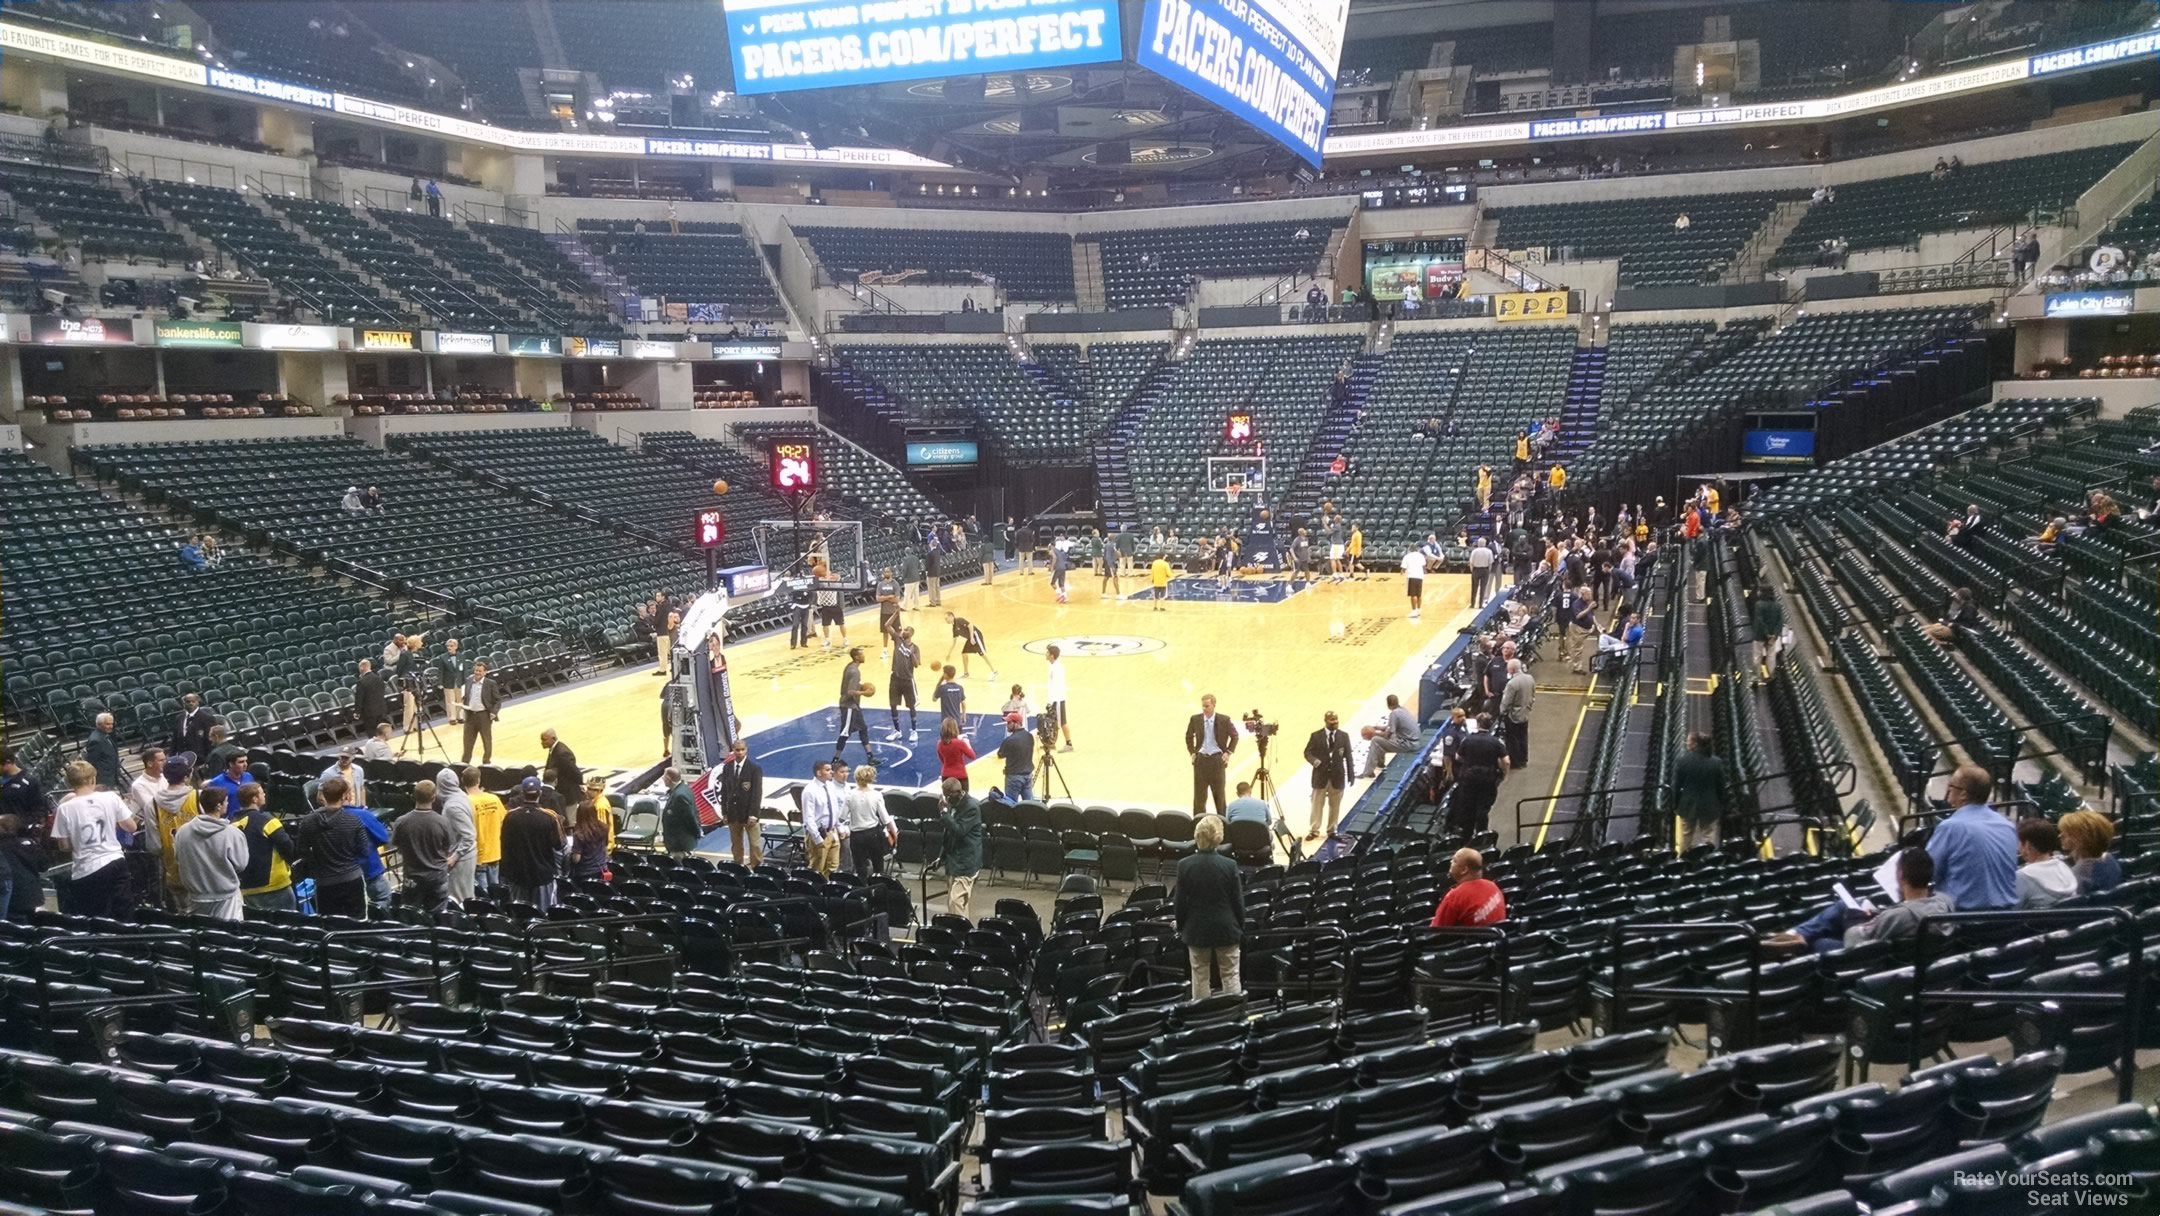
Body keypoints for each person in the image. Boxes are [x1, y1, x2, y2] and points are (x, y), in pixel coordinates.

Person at [1773, 848, 1952, 956]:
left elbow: (1854, 942)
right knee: (1846, 906)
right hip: (1901, 947)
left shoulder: (1899, 916)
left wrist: (1854, 919)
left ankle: (1796, 937)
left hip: (1869, 957)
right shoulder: (1946, 903)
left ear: (1900, 875)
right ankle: (1797, 935)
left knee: (1821, 942)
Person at [51, 760, 137, 915]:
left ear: (70, 782)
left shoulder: (64, 808)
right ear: (93, 779)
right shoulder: (111, 797)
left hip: (86, 868)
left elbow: (63, 846)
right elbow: (131, 827)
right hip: (115, 861)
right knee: (124, 913)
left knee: (97, 917)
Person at [1927, 764, 2017, 911]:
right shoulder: (2008, 826)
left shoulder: (1951, 827)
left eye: (1951, 785)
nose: (1948, 789)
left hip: (1963, 919)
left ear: (1963, 794)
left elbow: (1928, 873)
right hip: (2005, 916)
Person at [1175, 814, 1243, 1000]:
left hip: (1196, 929)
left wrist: (1181, 927)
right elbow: (1237, 902)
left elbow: (1180, 903)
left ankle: (1202, 1019)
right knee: (1230, 975)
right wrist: (1239, 925)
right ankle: (1234, 1016)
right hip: (1226, 927)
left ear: (1197, 836)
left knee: (1200, 977)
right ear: (1219, 838)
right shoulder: (1229, 865)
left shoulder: (1184, 865)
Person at [295, 777, 369, 918]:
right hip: (352, 879)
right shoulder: (353, 820)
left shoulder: (307, 822)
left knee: (329, 924)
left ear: (324, 796)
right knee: (358, 925)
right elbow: (364, 851)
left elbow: (302, 851)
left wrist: (318, 864)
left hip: (324, 882)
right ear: (344, 796)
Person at [172, 783, 248, 920]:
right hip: (226, 899)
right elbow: (241, 865)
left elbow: (179, 859)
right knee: (228, 937)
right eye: (226, 801)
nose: (227, 804)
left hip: (196, 897)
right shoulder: (232, 833)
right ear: (218, 806)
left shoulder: (182, 831)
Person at [499, 777, 565, 910]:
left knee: (519, 914)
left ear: (523, 793)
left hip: (517, 875)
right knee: (544, 915)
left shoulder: (510, 816)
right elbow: (559, 844)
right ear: (540, 793)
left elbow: (504, 844)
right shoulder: (549, 817)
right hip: (542, 876)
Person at [392, 786, 456, 913]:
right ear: (434, 798)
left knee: (411, 915)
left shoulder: (401, 821)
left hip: (412, 877)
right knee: (438, 917)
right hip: (437, 877)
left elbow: (397, 846)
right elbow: (448, 847)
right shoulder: (442, 822)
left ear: (414, 797)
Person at [237, 782, 298, 912]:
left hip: (245, 888)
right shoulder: (267, 821)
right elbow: (288, 847)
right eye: (261, 792)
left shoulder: (232, 823)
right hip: (275, 887)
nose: (264, 794)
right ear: (254, 799)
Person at [1450, 714, 1510, 838]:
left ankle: (1466, 836)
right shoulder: (1496, 741)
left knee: (1468, 807)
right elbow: (1506, 761)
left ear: (1477, 724)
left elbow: (1458, 757)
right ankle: (1482, 836)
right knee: (1483, 807)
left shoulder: (1468, 739)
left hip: (1469, 778)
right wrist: (1504, 774)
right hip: (1487, 779)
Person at [937, 777, 983, 920]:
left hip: (966, 862)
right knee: (955, 905)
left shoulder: (972, 807)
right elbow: (949, 834)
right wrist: (941, 856)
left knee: (956, 902)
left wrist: (944, 814)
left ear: (958, 792)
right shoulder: (952, 804)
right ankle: (960, 932)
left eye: (948, 796)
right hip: (953, 861)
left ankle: (962, 936)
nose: (946, 799)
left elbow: (959, 831)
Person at [1303, 711, 1354, 841]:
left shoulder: (1344, 736)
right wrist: (1314, 761)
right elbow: (1307, 752)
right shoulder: (1316, 736)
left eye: (1336, 720)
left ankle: (1332, 830)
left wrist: (1351, 775)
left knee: (1335, 805)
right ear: (1325, 721)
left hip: (1337, 776)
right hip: (1320, 775)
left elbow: (1348, 756)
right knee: (1316, 804)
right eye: (1332, 720)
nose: (1335, 722)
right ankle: (1314, 830)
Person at [1672, 733, 1727, 851]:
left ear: (1695, 744)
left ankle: (1682, 861)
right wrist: (1721, 804)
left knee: (1686, 834)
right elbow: (1721, 787)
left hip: (1687, 804)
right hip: (1710, 805)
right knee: (1708, 835)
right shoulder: (1716, 763)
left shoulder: (1683, 761)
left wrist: (1675, 804)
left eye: (1688, 741)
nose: (1686, 743)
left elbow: (1676, 786)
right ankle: (1708, 861)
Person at [1185, 694, 1238, 816]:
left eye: (1207, 706)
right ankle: (1198, 825)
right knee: (1199, 798)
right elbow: (1188, 736)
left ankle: (1223, 825)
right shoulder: (1195, 719)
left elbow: (1235, 736)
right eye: (1203, 706)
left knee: (1219, 796)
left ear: (1214, 705)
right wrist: (1192, 752)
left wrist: (1228, 752)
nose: (1204, 709)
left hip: (1217, 761)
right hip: (1201, 761)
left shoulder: (1224, 720)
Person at [1430, 847, 1506, 927]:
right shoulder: (1493, 886)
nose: (1450, 861)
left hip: (1472, 938)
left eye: (1454, 861)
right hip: (1496, 937)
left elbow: (1437, 929)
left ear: (1464, 870)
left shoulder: (1455, 896)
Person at [2012, 817, 2078, 909]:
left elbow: (2011, 911)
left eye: (2018, 842)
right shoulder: (2064, 868)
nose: (2017, 848)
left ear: (2027, 845)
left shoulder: (2023, 876)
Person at [842, 764, 896, 877]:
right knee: (878, 866)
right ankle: (878, 890)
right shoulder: (876, 795)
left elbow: (841, 816)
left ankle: (862, 890)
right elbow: (885, 818)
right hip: (873, 834)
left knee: (860, 867)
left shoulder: (849, 795)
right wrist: (894, 834)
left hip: (856, 836)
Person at [833, 647, 879, 767]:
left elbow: (851, 685)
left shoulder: (850, 666)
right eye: (862, 655)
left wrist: (861, 685)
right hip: (848, 705)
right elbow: (850, 691)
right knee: (844, 733)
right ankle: (835, 760)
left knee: (863, 728)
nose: (864, 656)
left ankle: (871, 757)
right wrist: (865, 692)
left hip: (854, 706)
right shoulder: (855, 672)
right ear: (857, 657)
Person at [2055, 809, 2121, 894]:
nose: (2060, 836)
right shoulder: (2109, 858)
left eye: (2067, 833)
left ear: (2081, 839)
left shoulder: (2078, 875)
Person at [439, 766, 477, 904]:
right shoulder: (461, 795)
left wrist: (455, 857)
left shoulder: (453, 806)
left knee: (460, 900)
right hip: (466, 855)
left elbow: (469, 835)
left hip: (462, 857)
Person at [1361, 694, 1421, 778]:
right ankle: (1380, 764)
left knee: (1375, 740)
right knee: (1381, 740)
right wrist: (1376, 727)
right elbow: (1389, 728)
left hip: (1409, 744)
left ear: (1388, 705)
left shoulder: (1394, 714)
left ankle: (1368, 772)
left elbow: (1387, 735)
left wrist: (1373, 733)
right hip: (1415, 742)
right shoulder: (1402, 710)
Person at [800, 760, 843, 876]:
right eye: (828, 770)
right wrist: (817, 839)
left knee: (833, 866)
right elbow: (809, 817)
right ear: (819, 773)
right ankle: (814, 892)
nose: (831, 772)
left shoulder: (830, 786)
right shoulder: (809, 791)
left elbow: (834, 809)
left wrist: (839, 827)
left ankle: (827, 890)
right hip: (819, 834)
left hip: (832, 832)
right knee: (817, 869)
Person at [468, 768, 506, 895]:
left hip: (478, 856)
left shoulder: (466, 802)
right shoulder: (494, 799)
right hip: (494, 853)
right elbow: (503, 821)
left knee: (482, 897)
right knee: (495, 894)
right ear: (478, 780)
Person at [456, 660, 501, 763]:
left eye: (480, 671)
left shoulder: (490, 683)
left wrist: (494, 712)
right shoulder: (468, 681)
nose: (477, 673)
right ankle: (465, 762)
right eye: (476, 670)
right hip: (470, 716)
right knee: (467, 742)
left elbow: (498, 700)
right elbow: (466, 696)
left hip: (484, 716)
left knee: (486, 741)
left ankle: (486, 762)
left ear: (485, 672)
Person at [563, 795, 610, 884]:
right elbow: (605, 851)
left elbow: (576, 859)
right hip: (600, 870)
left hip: (584, 873)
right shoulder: (603, 828)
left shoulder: (579, 834)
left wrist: (570, 853)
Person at [1498, 661, 1534, 770]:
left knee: (1513, 739)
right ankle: (1524, 759)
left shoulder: (1512, 684)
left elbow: (1506, 702)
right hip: (1525, 713)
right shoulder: (1530, 678)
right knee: (1523, 737)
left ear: (1512, 670)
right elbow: (1533, 695)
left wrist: (1502, 712)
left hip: (1513, 716)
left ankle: (1516, 762)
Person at [660, 766, 702, 860]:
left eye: (664, 777)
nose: (662, 779)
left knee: (680, 871)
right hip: (679, 841)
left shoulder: (680, 796)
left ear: (669, 779)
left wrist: (697, 832)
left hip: (680, 843)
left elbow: (690, 817)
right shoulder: (683, 789)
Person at [206, 750, 258, 818]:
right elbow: (212, 807)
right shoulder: (216, 783)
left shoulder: (248, 776)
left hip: (251, 818)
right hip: (230, 822)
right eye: (241, 762)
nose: (245, 765)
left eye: (246, 761)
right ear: (231, 764)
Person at [997, 713, 1036, 801]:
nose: (1007, 725)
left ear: (1016, 723)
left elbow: (1000, 755)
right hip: (1028, 776)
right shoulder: (1030, 736)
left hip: (1014, 777)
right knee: (1030, 805)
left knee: (1010, 805)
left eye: (1009, 723)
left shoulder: (1009, 740)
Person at [1042, 644, 1073, 753]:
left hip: (1058, 699)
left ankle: (1069, 744)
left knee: (1062, 722)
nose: (1045, 654)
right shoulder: (1054, 665)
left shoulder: (1057, 668)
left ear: (1051, 655)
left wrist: (1052, 701)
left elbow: (1056, 686)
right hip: (1056, 699)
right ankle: (1052, 743)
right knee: (1053, 722)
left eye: (1047, 652)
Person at [83, 713, 122, 791]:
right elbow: (91, 762)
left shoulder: (105, 736)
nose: (111, 726)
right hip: (103, 780)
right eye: (107, 724)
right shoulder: (96, 740)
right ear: (99, 724)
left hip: (111, 777)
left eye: (111, 724)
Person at [936, 718, 975, 791]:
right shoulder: (960, 743)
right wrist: (967, 743)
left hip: (945, 775)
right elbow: (972, 756)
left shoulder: (939, 743)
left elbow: (942, 760)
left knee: (948, 800)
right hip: (960, 776)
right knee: (963, 800)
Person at [174, 693, 215, 760]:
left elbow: (210, 740)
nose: (191, 703)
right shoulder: (179, 718)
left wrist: (209, 757)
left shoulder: (207, 718)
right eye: (188, 702)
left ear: (198, 702)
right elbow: (175, 739)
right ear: (183, 703)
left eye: (193, 701)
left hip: (200, 757)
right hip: (182, 757)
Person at [541, 729, 581, 798]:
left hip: (567, 795)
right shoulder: (555, 749)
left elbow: (575, 772)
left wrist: (580, 784)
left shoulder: (562, 753)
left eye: (544, 740)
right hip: (561, 793)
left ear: (553, 738)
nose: (542, 742)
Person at [355, 659, 390, 736]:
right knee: (382, 732)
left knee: (372, 733)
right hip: (382, 709)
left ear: (361, 668)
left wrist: (357, 712)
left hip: (369, 712)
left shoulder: (361, 682)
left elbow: (359, 698)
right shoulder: (379, 678)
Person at [1401, 544, 1427, 620]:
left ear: (1410, 549)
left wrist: (1401, 573)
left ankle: (1414, 611)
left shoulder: (1407, 556)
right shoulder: (1421, 556)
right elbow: (1424, 566)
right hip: (1420, 576)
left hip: (1412, 576)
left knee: (1413, 595)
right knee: (1419, 594)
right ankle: (1418, 610)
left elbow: (1403, 568)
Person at [1467, 536, 1494, 606]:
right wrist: (1488, 571)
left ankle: (1472, 604)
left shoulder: (1474, 551)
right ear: (1485, 544)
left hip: (1476, 570)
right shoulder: (1489, 551)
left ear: (1478, 544)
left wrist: (1472, 570)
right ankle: (1480, 604)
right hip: (1485, 570)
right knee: (1483, 588)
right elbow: (1490, 563)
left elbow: (1471, 562)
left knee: (1474, 587)